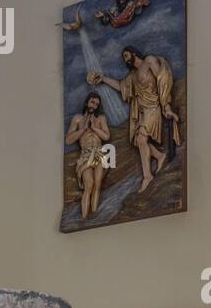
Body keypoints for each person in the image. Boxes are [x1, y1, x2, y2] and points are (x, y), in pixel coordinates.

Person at [87, 46, 179, 192]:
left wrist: (166, 107)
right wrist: (102, 79)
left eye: (126, 54)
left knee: (142, 139)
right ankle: (160, 155)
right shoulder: (132, 76)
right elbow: (120, 86)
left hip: (153, 107)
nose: (125, 58)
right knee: (138, 140)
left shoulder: (148, 61)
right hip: (142, 112)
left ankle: (147, 176)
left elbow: (163, 81)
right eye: (123, 57)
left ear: (133, 52)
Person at [65, 91, 111, 219]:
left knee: (97, 185)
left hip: (98, 152)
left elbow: (107, 136)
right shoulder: (78, 119)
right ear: (87, 102)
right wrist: (83, 129)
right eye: (92, 102)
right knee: (89, 185)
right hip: (85, 154)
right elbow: (68, 140)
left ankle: (94, 215)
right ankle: (84, 217)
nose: (94, 105)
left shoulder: (101, 119)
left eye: (96, 104)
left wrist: (94, 128)